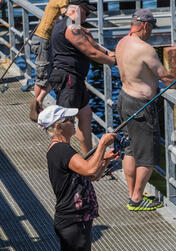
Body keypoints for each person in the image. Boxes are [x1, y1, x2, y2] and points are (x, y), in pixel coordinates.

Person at [38, 104, 118, 251]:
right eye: (68, 120)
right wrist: (102, 145)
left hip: (79, 220)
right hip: (72, 221)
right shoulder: (61, 150)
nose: (74, 121)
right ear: (57, 127)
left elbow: (91, 176)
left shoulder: (63, 149)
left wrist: (105, 159)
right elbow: (90, 170)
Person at [115, 9, 176, 211]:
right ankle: (136, 199)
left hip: (124, 99)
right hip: (140, 105)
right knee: (148, 155)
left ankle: (132, 192)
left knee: (129, 149)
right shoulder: (145, 49)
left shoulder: (122, 43)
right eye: (152, 28)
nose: (152, 32)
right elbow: (164, 76)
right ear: (145, 26)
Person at [49, 0, 116, 155]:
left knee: (85, 117)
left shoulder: (72, 25)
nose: (87, 17)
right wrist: (114, 62)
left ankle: (87, 157)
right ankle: (60, 159)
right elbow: (91, 53)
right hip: (68, 79)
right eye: (86, 13)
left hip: (77, 79)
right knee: (65, 123)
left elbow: (93, 46)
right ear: (78, 9)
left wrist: (107, 53)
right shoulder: (70, 27)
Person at [29, 0, 69, 122]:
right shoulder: (63, 0)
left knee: (50, 74)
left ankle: (38, 104)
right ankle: (37, 109)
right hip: (43, 40)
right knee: (42, 78)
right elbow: (67, 17)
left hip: (45, 39)